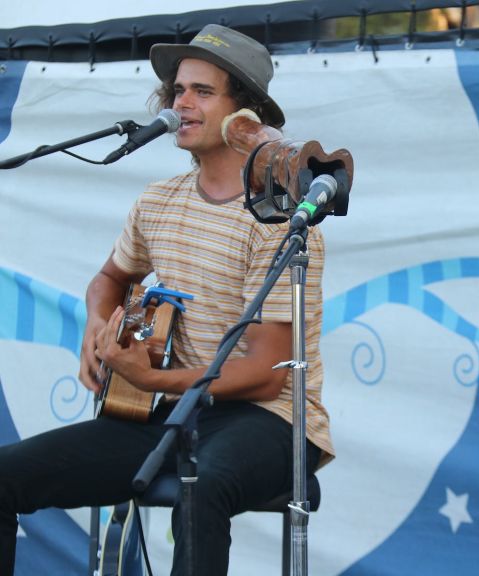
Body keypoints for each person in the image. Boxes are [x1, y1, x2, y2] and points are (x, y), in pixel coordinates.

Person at [0, 24, 333, 575]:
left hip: (270, 421)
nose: (182, 103)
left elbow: (266, 374)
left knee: (200, 487)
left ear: (243, 117)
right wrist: (96, 324)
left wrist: (153, 379)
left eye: (203, 92)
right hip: (173, 414)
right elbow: (109, 278)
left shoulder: (281, 218)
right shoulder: (157, 201)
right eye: (178, 91)